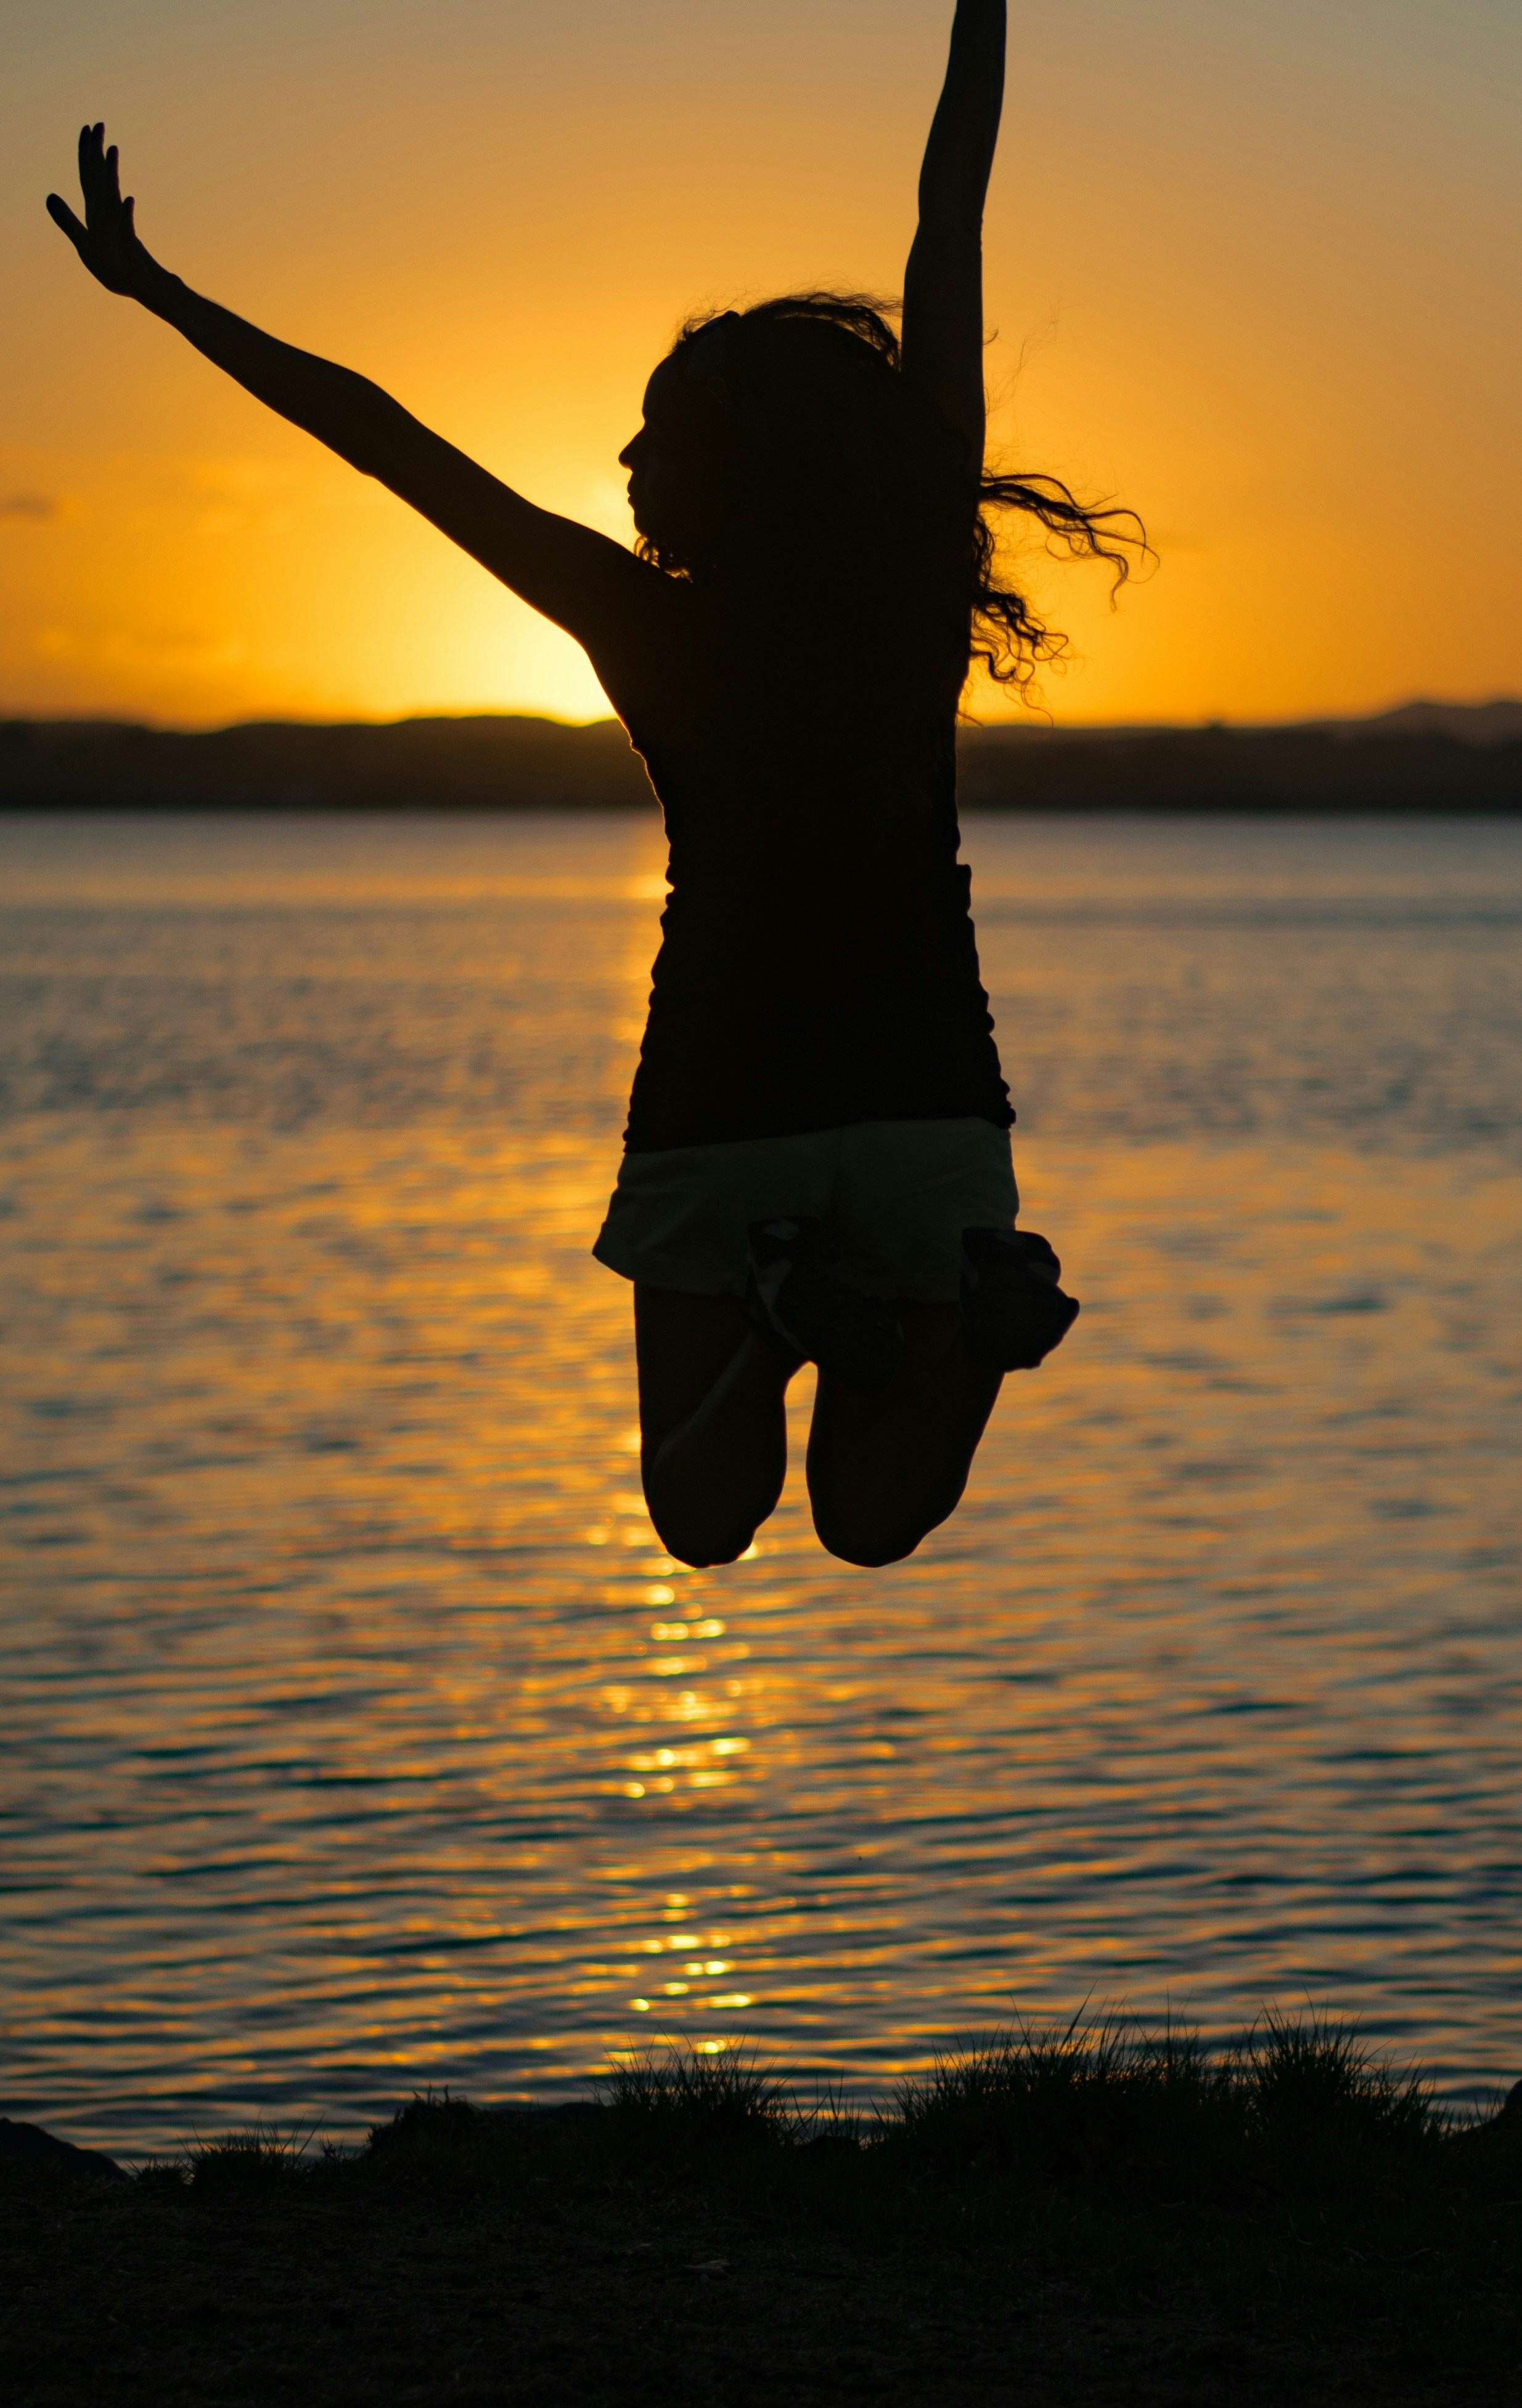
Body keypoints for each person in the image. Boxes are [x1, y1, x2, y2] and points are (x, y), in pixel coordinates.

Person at [47, 0, 1142, 1571]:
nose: (625, 467)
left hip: (726, 1083)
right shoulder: (910, 583)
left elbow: (389, 443)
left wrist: (160, 298)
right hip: (925, 1084)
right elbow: (945, 213)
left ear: (728, 468)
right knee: (875, 1521)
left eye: (651, 442)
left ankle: (778, 1327)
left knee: (702, 1521)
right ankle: (979, 1328)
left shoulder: (647, 628)